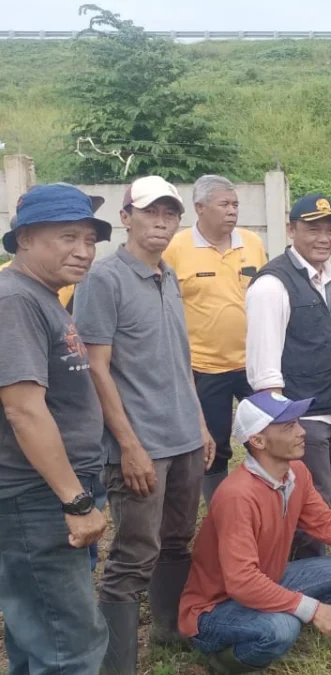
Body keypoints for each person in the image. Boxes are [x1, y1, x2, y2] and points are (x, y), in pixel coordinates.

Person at [74, 176, 216, 674]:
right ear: (126, 217)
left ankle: (170, 631)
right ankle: (117, 665)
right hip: (140, 445)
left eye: (170, 213)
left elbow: (180, 360)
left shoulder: (169, 277)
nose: (160, 221)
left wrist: (198, 424)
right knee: (133, 555)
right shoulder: (104, 279)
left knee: (176, 540)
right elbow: (96, 367)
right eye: (150, 212)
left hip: (182, 437)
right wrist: (127, 445)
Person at [180, 391, 331, 674]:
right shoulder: (237, 496)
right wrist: (313, 609)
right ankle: (223, 663)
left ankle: (274, 613)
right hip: (214, 610)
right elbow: (242, 582)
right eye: (288, 427)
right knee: (282, 629)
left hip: (265, 581)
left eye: (297, 422)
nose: (302, 431)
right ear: (258, 441)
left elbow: (325, 523)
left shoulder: (295, 473)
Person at [0, 184, 112, 674]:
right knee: (71, 648)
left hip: (51, 495)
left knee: (39, 631)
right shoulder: (15, 301)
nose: (83, 251)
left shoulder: (43, 295)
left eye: (89, 240)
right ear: (24, 238)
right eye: (68, 237)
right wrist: (75, 500)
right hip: (40, 499)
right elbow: (23, 410)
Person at [246, 193, 331, 560]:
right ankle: (302, 586)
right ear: (291, 229)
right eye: (313, 229)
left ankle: (303, 581)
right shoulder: (272, 285)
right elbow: (264, 371)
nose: (323, 238)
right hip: (302, 417)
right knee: (310, 507)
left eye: (330, 230)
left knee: (320, 498)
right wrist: (283, 430)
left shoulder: (329, 279)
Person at [164, 174, 268, 505]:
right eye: (224, 204)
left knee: (267, 435)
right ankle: (220, 512)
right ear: (199, 208)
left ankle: (266, 504)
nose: (232, 211)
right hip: (204, 367)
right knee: (215, 445)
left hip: (254, 364)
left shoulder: (251, 242)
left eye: (235, 204)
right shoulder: (176, 248)